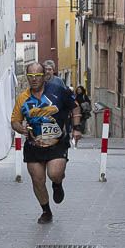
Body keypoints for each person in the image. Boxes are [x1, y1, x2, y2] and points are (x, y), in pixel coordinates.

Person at [11, 62, 78, 224]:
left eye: (38, 76)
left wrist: (76, 128)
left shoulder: (58, 91)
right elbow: (15, 121)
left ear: (45, 77)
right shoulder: (23, 98)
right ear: (27, 77)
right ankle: (46, 211)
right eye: (31, 76)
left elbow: (75, 107)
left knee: (54, 174)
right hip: (34, 145)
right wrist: (23, 130)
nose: (34, 80)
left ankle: (57, 183)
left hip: (57, 142)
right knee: (38, 180)